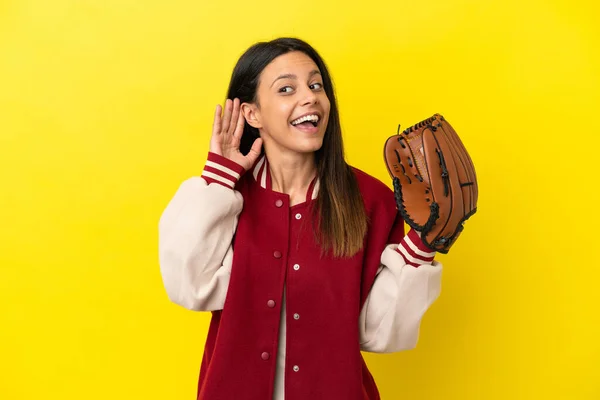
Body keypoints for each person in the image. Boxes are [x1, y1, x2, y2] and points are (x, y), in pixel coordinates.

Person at [158, 37, 443, 400]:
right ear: (252, 114)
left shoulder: (373, 201)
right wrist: (220, 176)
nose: (309, 97)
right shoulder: (224, 198)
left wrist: (421, 245)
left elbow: (376, 331)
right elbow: (188, 286)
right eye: (287, 89)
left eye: (315, 85)